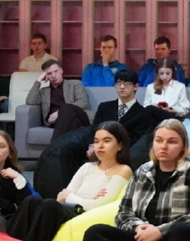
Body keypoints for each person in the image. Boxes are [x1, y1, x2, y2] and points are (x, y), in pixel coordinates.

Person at [34, 69, 154, 199]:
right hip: (97, 144)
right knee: (67, 150)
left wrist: (109, 147)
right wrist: (94, 146)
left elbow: (133, 138)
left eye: (127, 83)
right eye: (119, 83)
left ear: (136, 87)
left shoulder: (143, 113)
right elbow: (95, 130)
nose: (122, 87)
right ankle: (66, 191)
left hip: (119, 150)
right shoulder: (105, 107)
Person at [10, 122, 132, 241]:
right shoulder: (87, 167)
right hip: (72, 207)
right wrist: (80, 198)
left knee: (50, 205)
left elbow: (96, 206)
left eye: (106, 141)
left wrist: (70, 197)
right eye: (96, 141)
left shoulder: (123, 170)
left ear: (120, 145)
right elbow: (61, 196)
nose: (100, 146)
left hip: (83, 214)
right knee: (32, 201)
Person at [25, 59, 91, 140]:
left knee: (66, 107)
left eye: (55, 71)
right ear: (45, 76)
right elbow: (30, 101)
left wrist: (59, 112)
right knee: (75, 123)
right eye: (49, 73)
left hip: (77, 115)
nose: (53, 76)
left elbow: (83, 102)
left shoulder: (75, 84)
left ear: (61, 71)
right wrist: (38, 81)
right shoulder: (44, 91)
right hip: (57, 122)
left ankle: (53, 144)